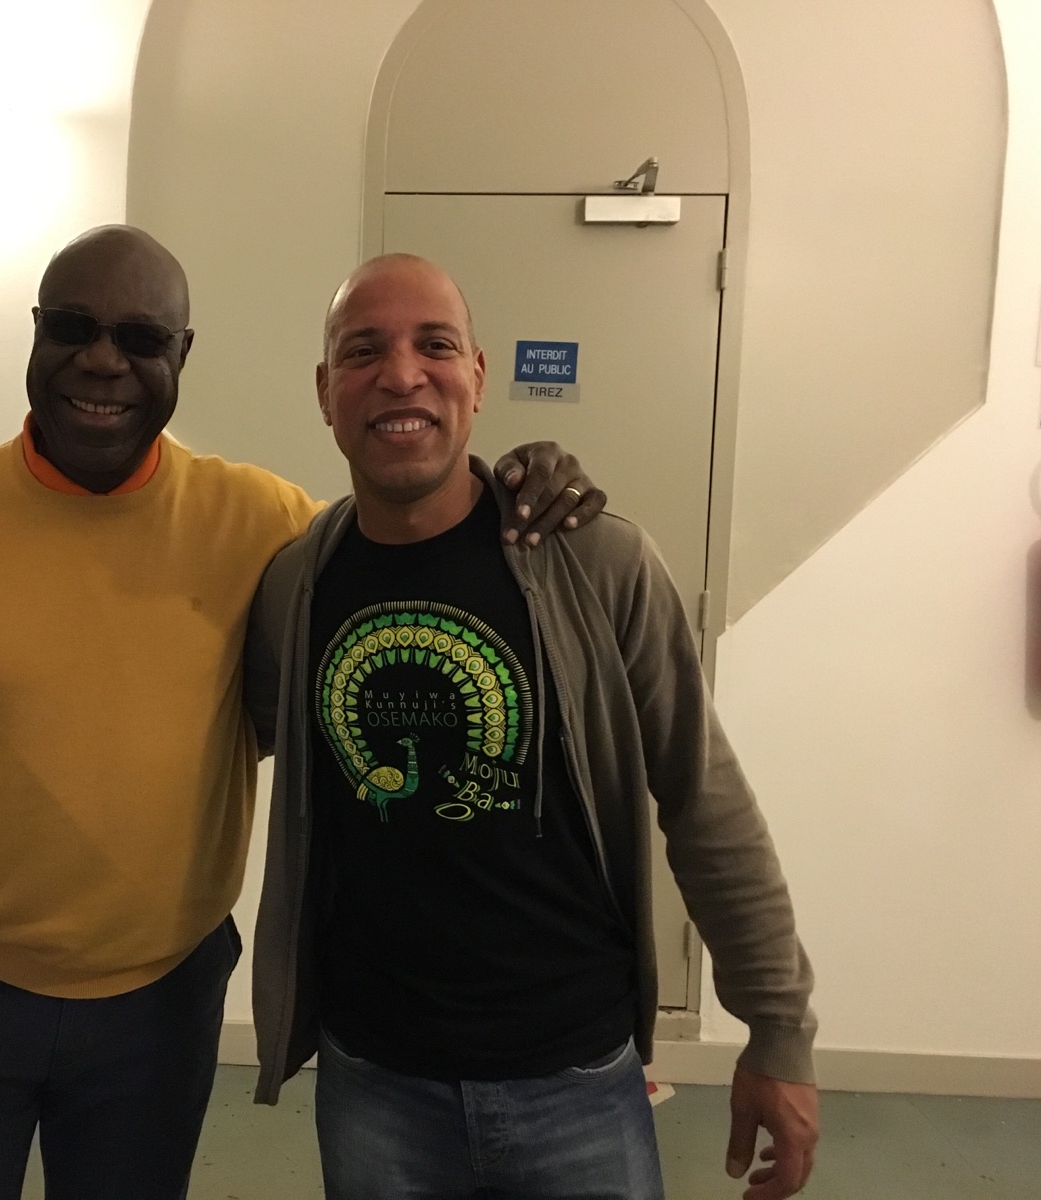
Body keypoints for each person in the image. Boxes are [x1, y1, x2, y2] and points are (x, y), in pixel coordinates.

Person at [0, 225, 604, 1200]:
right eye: (74, 327)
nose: (104, 360)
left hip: (158, 1006)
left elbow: (406, 535)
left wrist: (520, 479)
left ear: (181, 356)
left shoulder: (264, 526)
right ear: (36, 333)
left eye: (141, 338)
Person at [243, 253, 819, 1200]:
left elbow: (704, 799)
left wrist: (778, 1030)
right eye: (363, 350)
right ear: (324, 390)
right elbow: (229, 745)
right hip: (373, 1081)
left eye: (435, 346)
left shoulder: (596, 562)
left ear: (478, 376)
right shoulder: (293, 589)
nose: (401, 374)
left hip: (576, 1079)